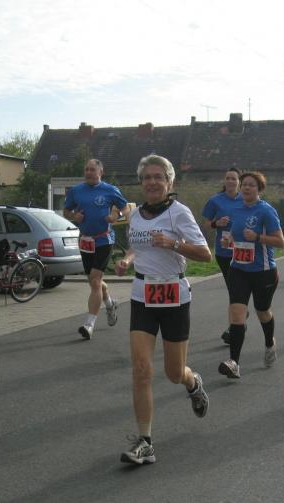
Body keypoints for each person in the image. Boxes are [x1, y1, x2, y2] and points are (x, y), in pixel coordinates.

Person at [114, 155, 212, 465]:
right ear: (141, 182)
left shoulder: (179, 212)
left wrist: (174, 244)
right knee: (141, 369)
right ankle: (145, 441)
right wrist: (127, 260)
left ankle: (192, 382)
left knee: (173, 373)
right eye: (147, 177)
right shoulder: (135, 215)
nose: (153, 182)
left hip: (174, 296)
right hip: (142, 295)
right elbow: (139, 245)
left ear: (169, 182)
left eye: (159, 177)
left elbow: (206, 254)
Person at [218, 171, 284, 379]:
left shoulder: (266, 211)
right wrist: (228, 240)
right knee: (237, 313)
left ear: (259, 189)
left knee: (262, 311)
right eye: (244, 184)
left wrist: (257, 237)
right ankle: (234, 362)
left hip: (263, 271)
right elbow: (234, 233)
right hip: (238, 269)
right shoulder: (236, 209)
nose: (246, 188)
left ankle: (269, 343)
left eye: (251, 185)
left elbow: (280, 241)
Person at [63, 159, 131, 340]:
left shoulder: (110, 190)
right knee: (94, 282)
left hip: (104, 239)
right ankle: (110, 303)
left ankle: (89, 324)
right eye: (86, 169)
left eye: (92, 170)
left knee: (94, 280)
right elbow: (66, 211)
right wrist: (74, 216)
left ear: (101, 172)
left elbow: (126, 208)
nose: (88, 172)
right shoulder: (76, 191)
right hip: (85, 240)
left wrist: (116, 215)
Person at [202, 167, 242, 344]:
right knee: (234, 290)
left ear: (239, 182)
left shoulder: (246, 199)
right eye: (228, 178)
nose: (231, 181)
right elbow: (205, 224)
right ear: (224, 181)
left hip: (244, 250)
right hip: (224, 252)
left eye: (234, 178)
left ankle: (239, 317)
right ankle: (235, 325)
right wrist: (216, 223)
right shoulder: (215, 201)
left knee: (238, 290)